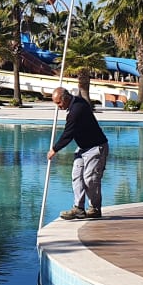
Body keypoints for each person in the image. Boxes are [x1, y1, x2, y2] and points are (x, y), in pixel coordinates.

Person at [47, 86, 109, 220]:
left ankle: (95, 209)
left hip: (95, 147)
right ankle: (79, 208)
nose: (58, 107)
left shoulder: (77, 109)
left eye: (59, 103)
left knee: (90, 179)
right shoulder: (76, 103)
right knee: (77, 176)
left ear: (66, 98)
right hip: (82, 148)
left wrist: (54, 149)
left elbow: (68, 134)